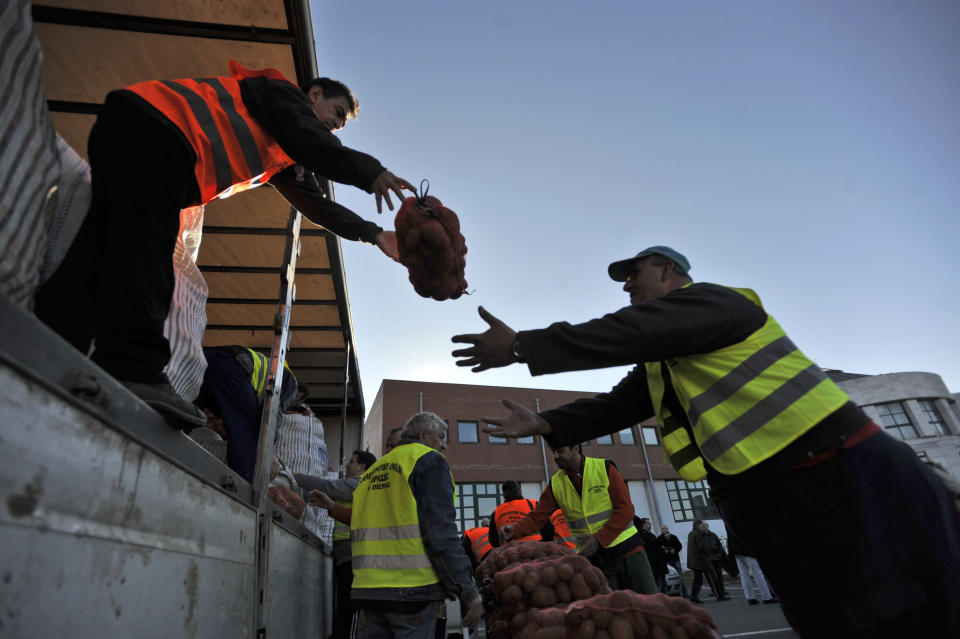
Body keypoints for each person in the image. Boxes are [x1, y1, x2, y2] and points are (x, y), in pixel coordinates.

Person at [450, 244, 960, 638]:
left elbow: (631, 329)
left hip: (838, 472)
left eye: (636, 273)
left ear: (669, 271)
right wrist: (548, 426)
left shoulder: (716, 302)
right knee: (835, 619)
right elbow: (621, 403)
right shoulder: (664, 359)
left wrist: (522, 346)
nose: (627, 286)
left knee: (903, 614)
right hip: (776, 495)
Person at [34, 60, 415, 430]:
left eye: (342, 123)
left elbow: (317, 205)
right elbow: (312, 142)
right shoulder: (281, 95)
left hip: (138, 127)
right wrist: (372, 173)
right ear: (314, 94)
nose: (336, 125)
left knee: (107, 244)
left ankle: (50, 337)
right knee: (148, 250)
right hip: (158, 128)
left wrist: (373, 234)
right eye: (337, 112)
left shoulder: (284, 153)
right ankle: (133, 367)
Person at [310, 412, 482, 637]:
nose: (444, 445)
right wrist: (467, 590)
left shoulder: (372, 472)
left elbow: (365, 521)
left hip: (368, 594)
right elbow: (440, 533)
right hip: (413, 594)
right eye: (441, 437)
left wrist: (333, 508)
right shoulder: (428, 461)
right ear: (423, 434)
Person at [501, 444, 657, 594]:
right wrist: (514, 530)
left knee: (650, 608)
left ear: (576, 448)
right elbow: (537, 516)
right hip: (596, 562)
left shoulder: (604, 468)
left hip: (629, 553)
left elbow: (626, 510)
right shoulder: (556, 483)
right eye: (553, 451)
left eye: (560, 451)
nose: (555, 456)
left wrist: (597, 540)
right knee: (611, 614)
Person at [193, 346, 302, 482]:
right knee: (247, 449)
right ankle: (240, 490)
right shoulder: (293, 387)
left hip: (209, 357)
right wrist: (269, 453)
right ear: (299, 395)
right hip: (234, 368)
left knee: (184, 414)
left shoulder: (274, 370)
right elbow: (272, 414)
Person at [301, 449, 374, 639]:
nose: (347, 465)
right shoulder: (353, 485)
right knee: (342, 605)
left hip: (353, 554)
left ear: (362, 467)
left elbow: (329, 488)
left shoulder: (361, 482)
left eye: (351, 461)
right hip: (345, 554)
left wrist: (291, 476)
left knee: (348, 607)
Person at [488, 479, 552, 547]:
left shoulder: (496, 512)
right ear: (519, 491)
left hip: (510, 553)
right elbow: (549, 530)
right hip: (535, 550)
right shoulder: (533, 504)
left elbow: (493, 540)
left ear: (504, 495)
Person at [728, 529, 776, 605]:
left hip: (736, 550)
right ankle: (766, 597)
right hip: (747, 549)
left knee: (744, 575)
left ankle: (750, 598)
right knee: (757, 573)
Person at [687, 521, 728, 603]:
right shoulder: (697, 534)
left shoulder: (691, 534)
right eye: (702, 525)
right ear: (698, 526)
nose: (703, 527)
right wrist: (708, 555)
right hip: (702, 560)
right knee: (713, 578)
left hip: (694, 561)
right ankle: (720, 595)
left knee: (698, 579)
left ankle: (693, 597)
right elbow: (701, 547)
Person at [636, 517, 668, 593]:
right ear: (643, 524)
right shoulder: (642, 535)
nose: (650, 525)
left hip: (659, 565)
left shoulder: (650, 534)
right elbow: (652, 545)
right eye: (648, 523)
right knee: (658, 586)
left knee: (663, 585)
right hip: (655, 565)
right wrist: (661, 539)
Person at [700, 522, 731, 598]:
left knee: (719, 574)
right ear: (702, 527)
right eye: (704, 525)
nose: (705, 526)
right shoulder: (701, 537)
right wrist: (708, 556)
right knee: (712, 576)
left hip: (717, 557)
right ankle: (715, 591)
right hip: (709, 559)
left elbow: (719, 544)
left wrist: (720, 554)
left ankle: (722, 589)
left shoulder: (713, 535)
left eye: (706, 525)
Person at [658, 525, 689, 598]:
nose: (664, 529)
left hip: (675, 559)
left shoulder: (673, 537)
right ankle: (669, 594)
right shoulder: (659, 539)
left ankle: (685, 593)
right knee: (667, 578)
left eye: (665, 528)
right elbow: (658, 549)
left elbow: (679, 546)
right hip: (666, 561)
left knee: (680, 577)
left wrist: (674, 550)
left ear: (668, 529)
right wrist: (663, 551)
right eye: (662, 528)